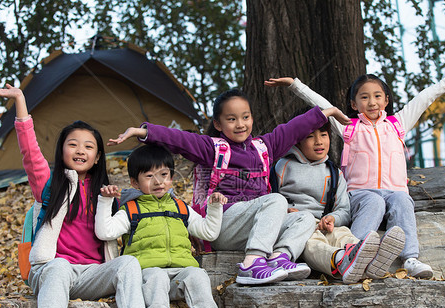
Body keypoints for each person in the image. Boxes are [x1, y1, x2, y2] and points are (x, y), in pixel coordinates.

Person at [0, 83, 172, 308]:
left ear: (98, 156)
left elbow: (152, 193)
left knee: (127, 264)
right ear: (62, 150)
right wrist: (20, 101)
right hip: (51, 270)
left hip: (91, 274)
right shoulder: (49, 184)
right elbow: (29, 150)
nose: (80, 150)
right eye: (72, 144)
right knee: (60, 266)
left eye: (89, 146)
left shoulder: (107, 192)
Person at [107, 89, 351, 285]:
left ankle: (279, 258)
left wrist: (326, 111)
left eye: (245, 117)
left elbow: (293, 128)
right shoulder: (212, 148)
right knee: (277, 200)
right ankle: (252, 263)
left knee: (305, 218)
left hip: (252, 225)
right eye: (231, 119)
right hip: (223, 224)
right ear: (219, 123)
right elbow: (179, 139)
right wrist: (142, 131)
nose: (240, 124)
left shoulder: (264, 147)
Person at [265, 67, 445, 278]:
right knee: (374, 202)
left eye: (377, 96)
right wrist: (295, 85)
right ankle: (355, 252)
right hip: (361, 193)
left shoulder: (398, 124)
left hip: (395, 191)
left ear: (386, 100)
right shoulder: (349, 126)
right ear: (353, 104)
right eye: (364, 97)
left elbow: (425, 98)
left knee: (403, 201)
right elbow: (323, 106)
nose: (372, 102)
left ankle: (410, 259)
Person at [94, 144, 230, 308]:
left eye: (164, 175)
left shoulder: (180, 207)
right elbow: (105, 231)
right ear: (134, 182)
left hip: (179, 276)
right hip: (147, 276)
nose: (158, 182)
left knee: (198, 274)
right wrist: (105, 200)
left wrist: (214, 207)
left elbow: (208, 232)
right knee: (156, 275)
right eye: (149, 176)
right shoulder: (131, 209)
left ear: (171, 177)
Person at [273, 118, 405, 284]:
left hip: (322, 224)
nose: (319, 141)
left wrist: (333, 218)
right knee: (313, 244)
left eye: (323, 135)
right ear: (297, 140)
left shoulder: (334, 173)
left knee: (342, 233)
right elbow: (270, 199)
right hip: (296, 228)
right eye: (310, 137)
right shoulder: (283, 166)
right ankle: (342, 262)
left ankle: (369, 258)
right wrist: (285, 210)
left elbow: (343, 210)